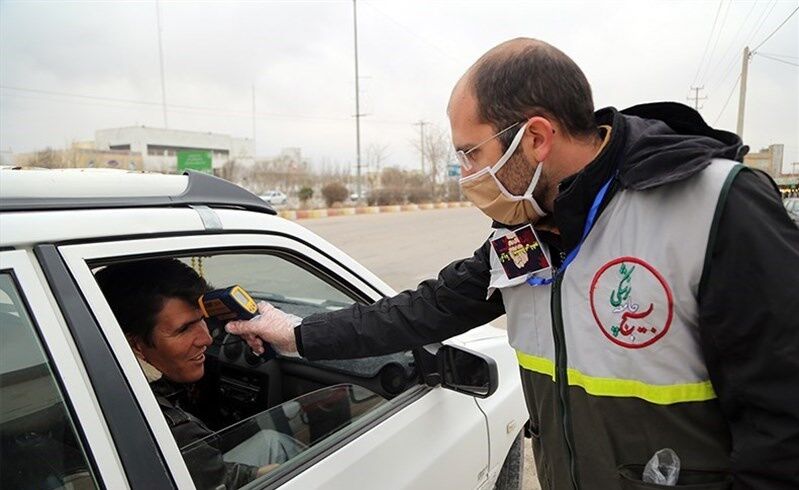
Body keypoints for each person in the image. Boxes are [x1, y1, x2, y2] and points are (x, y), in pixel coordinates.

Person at [226, 38, 799, 489]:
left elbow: (782, 418)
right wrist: (298, 333)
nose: (465, 173)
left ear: (537, 138)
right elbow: (427, 309)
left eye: (470, 152)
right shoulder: (527, 229)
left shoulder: (716, 203)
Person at [96, 259, 304, 490]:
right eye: (184, 329)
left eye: (202, 320)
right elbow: (223, 481)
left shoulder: (95, 375)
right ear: (135, 345)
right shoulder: (172, 428)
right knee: (280, 446)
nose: (206, 338)